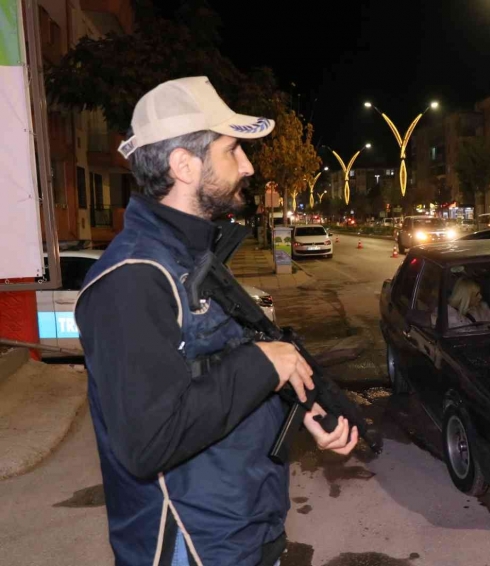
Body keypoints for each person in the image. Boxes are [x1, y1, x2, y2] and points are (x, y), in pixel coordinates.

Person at [75, 77, 357, 566]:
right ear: (184, 164)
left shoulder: (189, 256)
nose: (248, 165)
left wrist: (297, 407)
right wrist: (263, 365)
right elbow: (150, 441)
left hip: (240, 526)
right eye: (232, 151)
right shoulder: (134, 279)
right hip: (193, 543)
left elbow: (209, 373)